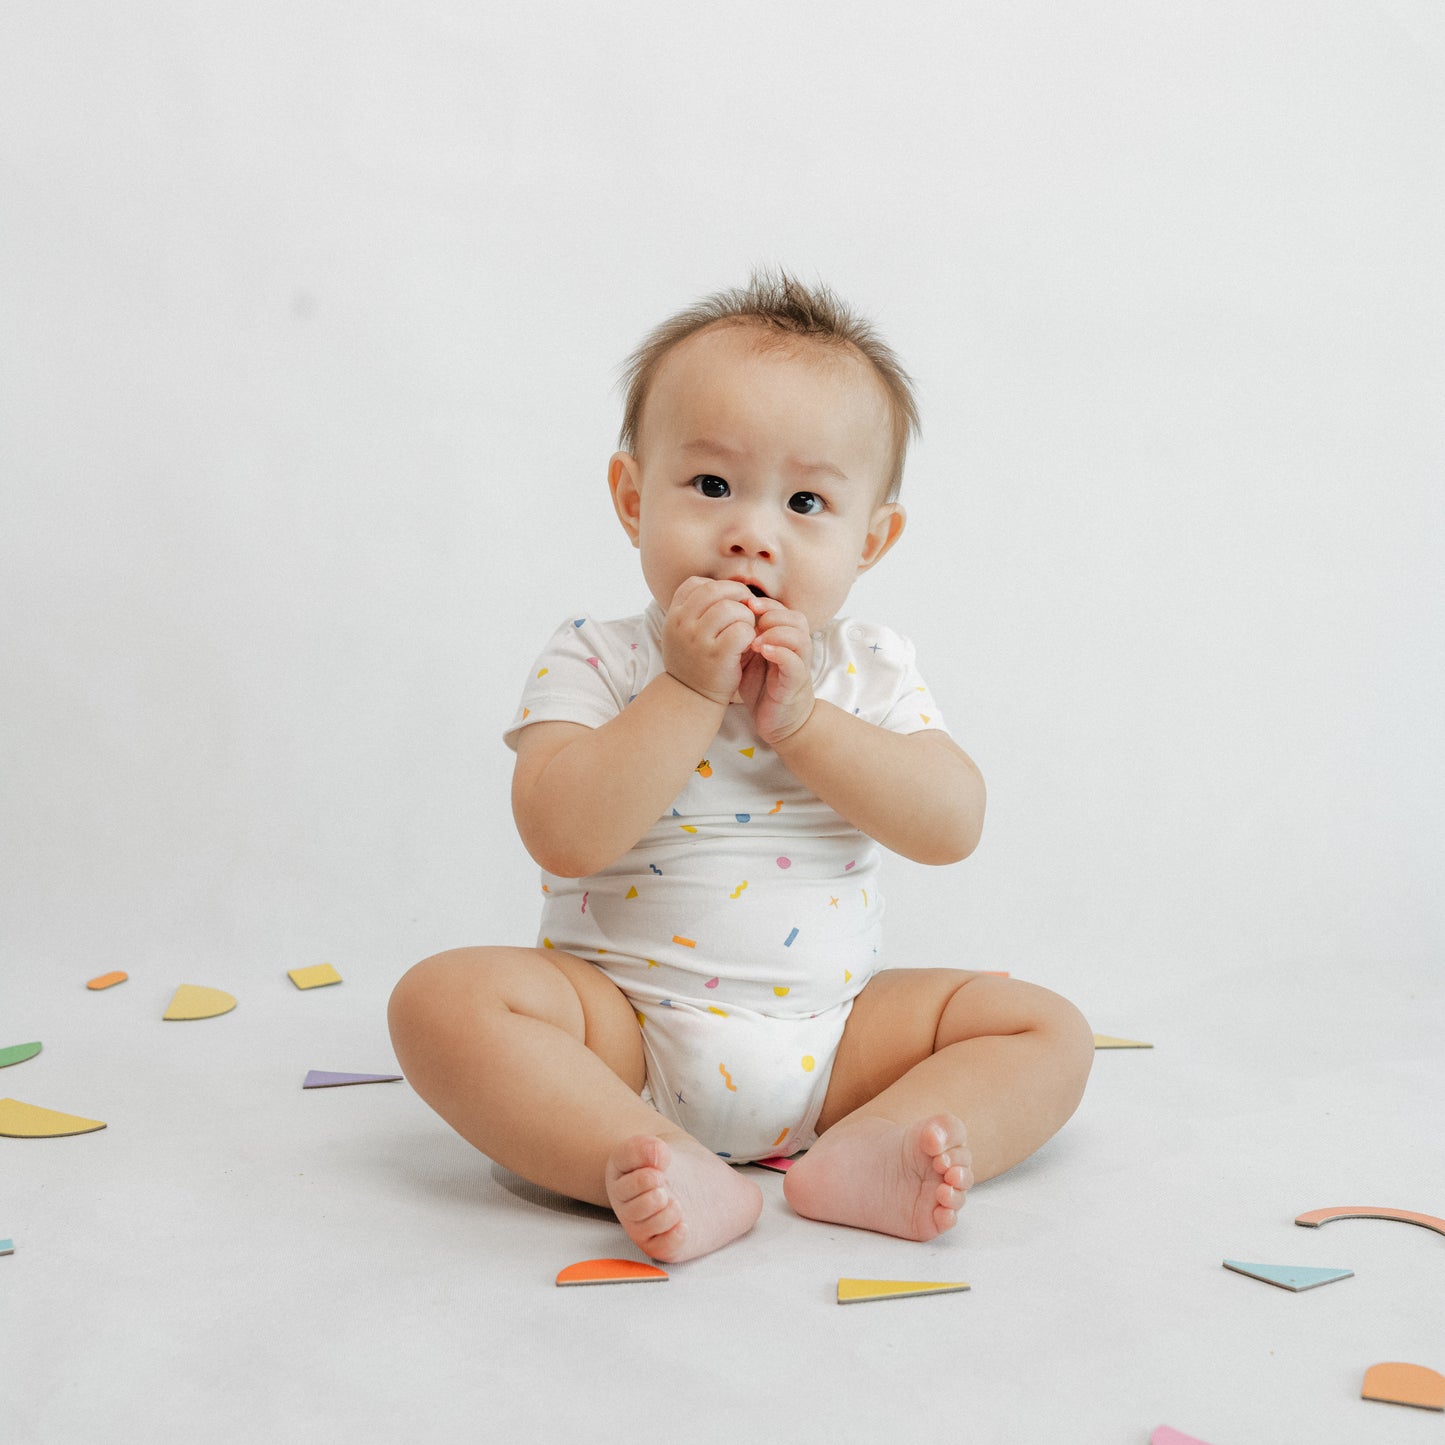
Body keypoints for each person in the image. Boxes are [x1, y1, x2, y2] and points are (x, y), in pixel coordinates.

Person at [388, 271, 1093, 1263]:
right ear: (633, 499)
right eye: (711, 485)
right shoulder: (595, 654)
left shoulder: (868, 668)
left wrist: (803, 721)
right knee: (440, 1001)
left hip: (838, 1036)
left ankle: (870, 1149)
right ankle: (639, 1150)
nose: (750, 532)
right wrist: (680, 690)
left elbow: (951, 822)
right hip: (621, 1030)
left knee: (1045, 1029)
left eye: (805, 501)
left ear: (869, 539)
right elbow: (560, 827)